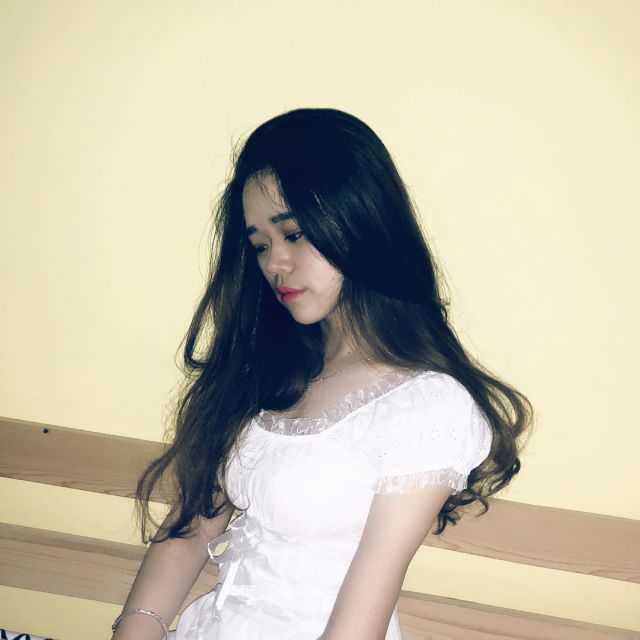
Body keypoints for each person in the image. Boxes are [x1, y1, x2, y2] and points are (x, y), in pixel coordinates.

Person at [111, 108, 532, 640]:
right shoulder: (272, 368)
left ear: (358, 225)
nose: (275, 263)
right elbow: (192, 527)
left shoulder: (425, 405)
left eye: (294, 234)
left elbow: (360, 619)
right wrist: (136, 630)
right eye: (260, 244)